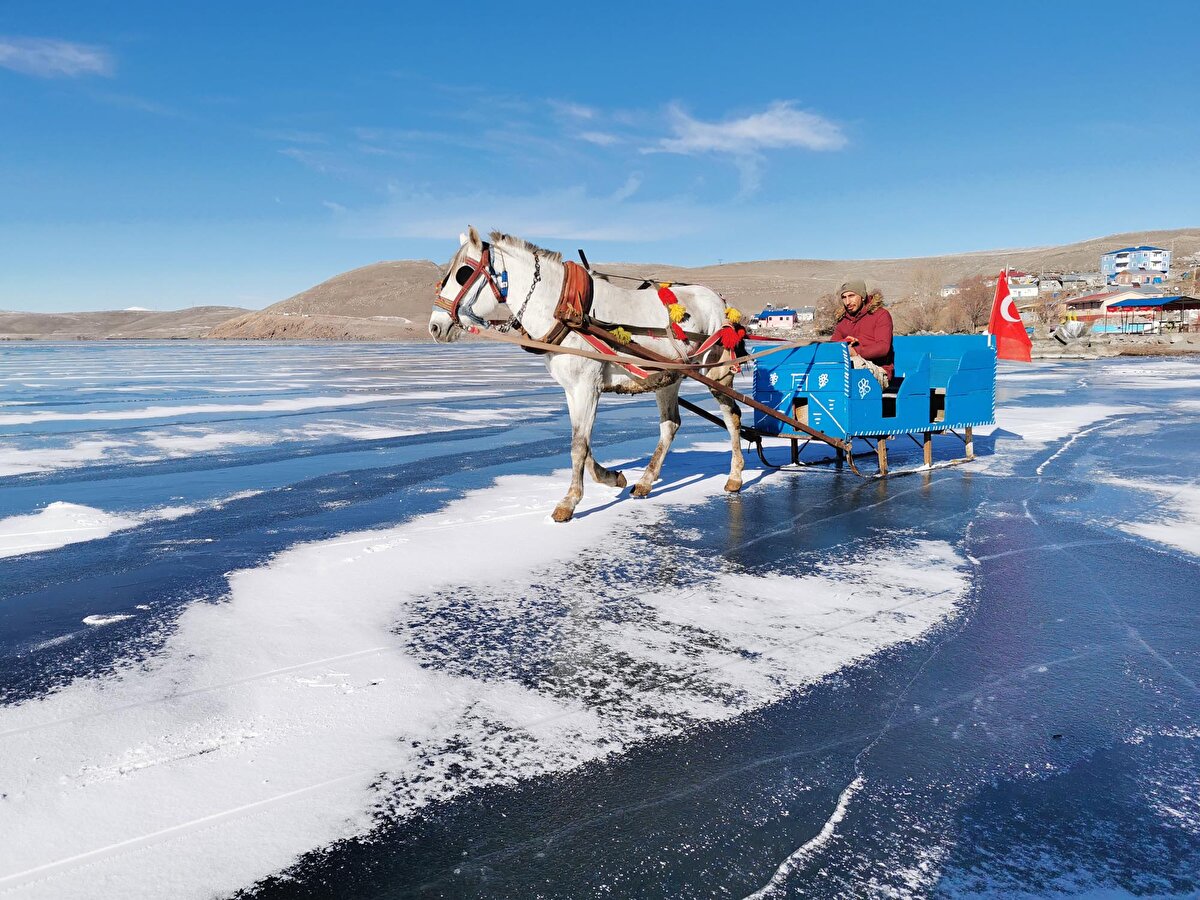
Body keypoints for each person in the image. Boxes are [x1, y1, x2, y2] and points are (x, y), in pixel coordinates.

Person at [831, 279, 894, 389]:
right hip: (850, 366)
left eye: (851, 296)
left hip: (879, 371)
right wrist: (844, 343)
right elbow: (831, 347)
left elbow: (883, 347)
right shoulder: (843, 320)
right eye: (844, 297)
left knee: (854, 364)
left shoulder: (881, 315)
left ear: (862, 296)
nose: (847, 302)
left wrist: (855, 352)